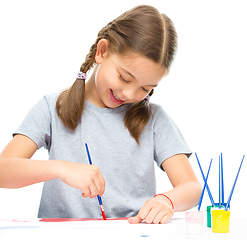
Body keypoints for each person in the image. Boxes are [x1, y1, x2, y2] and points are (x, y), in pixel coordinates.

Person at [0, 5, 201, 224]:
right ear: (102, 51)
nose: (129, 94)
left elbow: (191, 188)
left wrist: (166, 200)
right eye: (125, 78)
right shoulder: (52, 107)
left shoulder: (154, 119)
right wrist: (59, 168)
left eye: (146, 88)